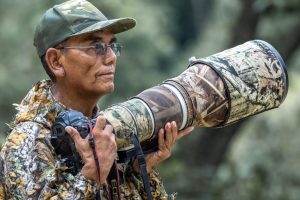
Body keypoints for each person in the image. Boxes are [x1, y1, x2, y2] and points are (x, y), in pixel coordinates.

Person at [0, 0, 194, 199]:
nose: (111, 57)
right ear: (56, 61)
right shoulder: (28, 141)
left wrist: (139, 171)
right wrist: (91, 177)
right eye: (96, 46)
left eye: (112, 46)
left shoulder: (106, 132)